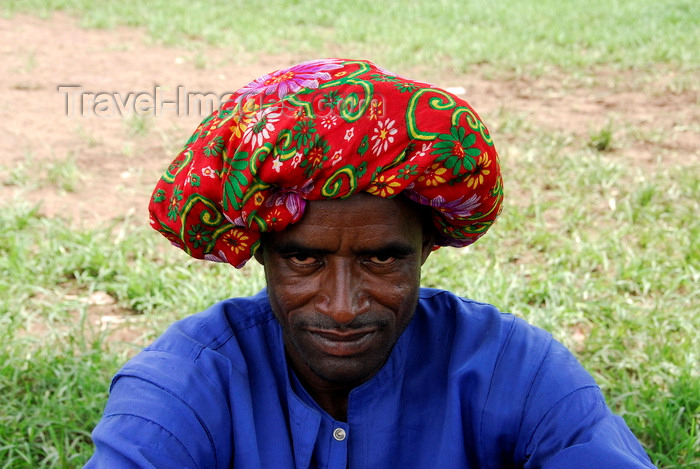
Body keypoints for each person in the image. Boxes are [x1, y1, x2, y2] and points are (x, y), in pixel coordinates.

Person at [85, 59, 655, 468]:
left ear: (429, 245)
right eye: (303, 259)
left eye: (381, 258)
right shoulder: (183, 387)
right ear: (259, 250)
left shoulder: (514, 373)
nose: (341, 307)